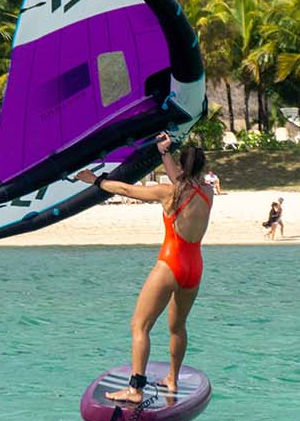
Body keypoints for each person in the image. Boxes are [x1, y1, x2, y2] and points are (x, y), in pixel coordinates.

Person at [72, 131, 210, 402]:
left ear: (182, 166)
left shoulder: (167, 192)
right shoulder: (207, 192)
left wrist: (96, 181)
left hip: (171, 263)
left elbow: (126, 189)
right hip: (194, 268)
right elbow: (181, 179)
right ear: (203, 168)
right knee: (177, 327)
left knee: (140, 326)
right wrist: (164, 153)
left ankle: (135, 389)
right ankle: (172, 378)